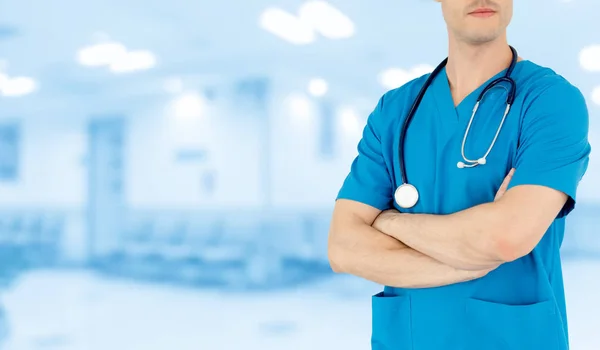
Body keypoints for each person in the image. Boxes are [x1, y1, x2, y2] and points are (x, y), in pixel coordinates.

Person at [327, 0, 591, 349]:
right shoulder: (394, 112)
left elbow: (505, 238)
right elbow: (343, 248)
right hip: (409, 338)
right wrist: (470, 264)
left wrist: (390, 222)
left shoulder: (550, 101)